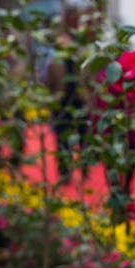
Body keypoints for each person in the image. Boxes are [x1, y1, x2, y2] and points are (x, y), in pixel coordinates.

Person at [43, 31, 87, 182]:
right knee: (62, 141)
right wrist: (52, 100)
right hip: (61, 107)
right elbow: (48, 85)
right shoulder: (54, 63)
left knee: (84, 139)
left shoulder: (80, 61)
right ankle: (64, 173)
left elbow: (87, 80)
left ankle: (85, 170)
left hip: (80, 104)